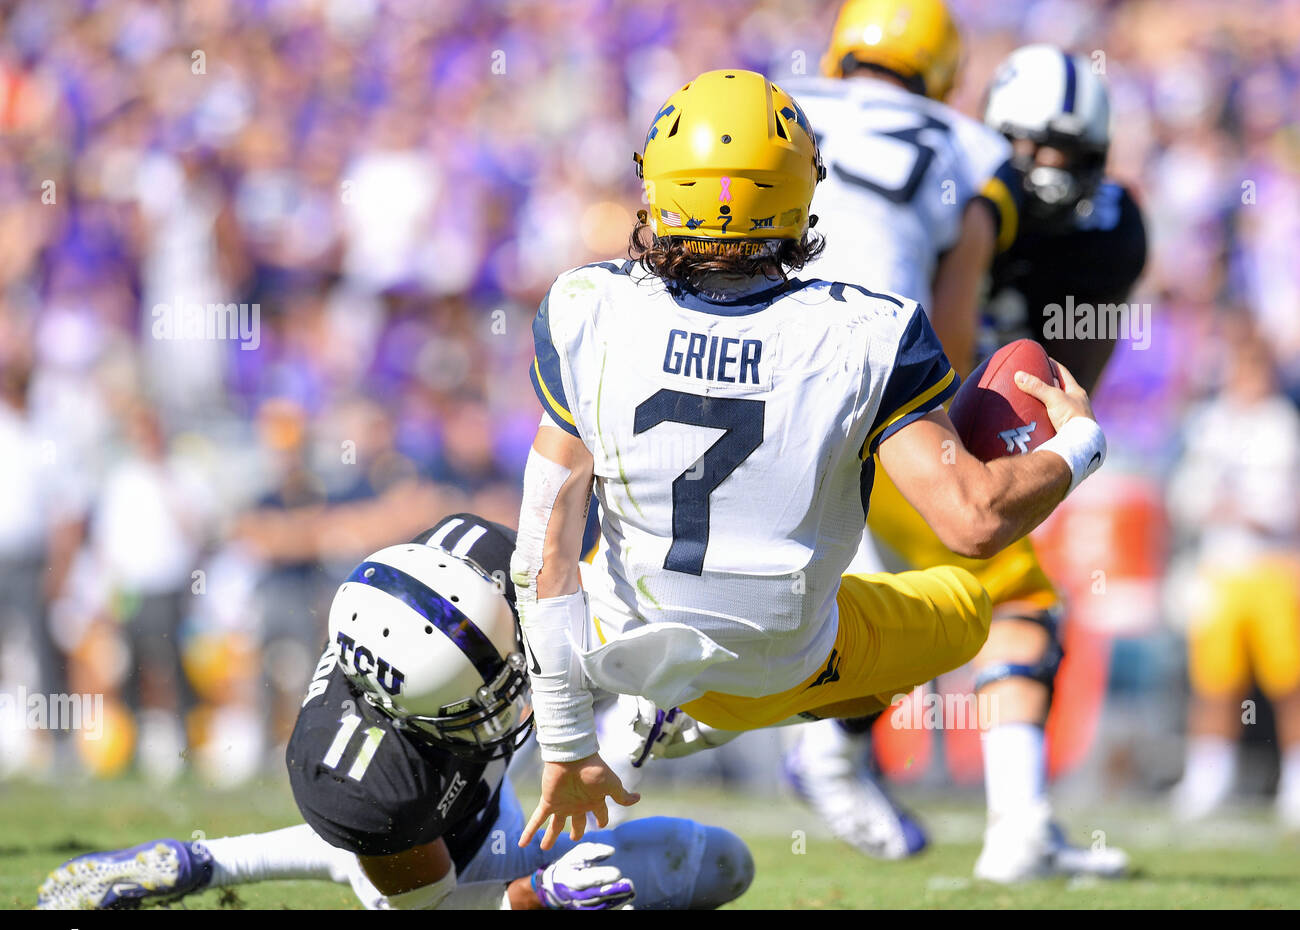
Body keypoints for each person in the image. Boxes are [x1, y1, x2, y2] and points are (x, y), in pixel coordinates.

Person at [509, 66, 1108, 853]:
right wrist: (1080, 445)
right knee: (968, 607)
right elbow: (974, 519)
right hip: (785, 664)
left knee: (514, 558)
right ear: (800, 189)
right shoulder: (870, 329)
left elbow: (541, 553)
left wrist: (564, 739)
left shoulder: (587, 306)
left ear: (658, 185)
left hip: (627, 641)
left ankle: (463, 790)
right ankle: (820, 735)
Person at [788, 36, 1145, 881]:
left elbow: (1065, 374)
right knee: (1004, 597)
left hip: (882, 408)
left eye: (1068, 152)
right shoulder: (967, 186)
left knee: (875, 612)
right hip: (909, 412)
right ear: (992, 138)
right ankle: (1013, 828)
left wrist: (1018, 436)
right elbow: (947, 343)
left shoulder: (1091, 225)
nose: (1047, 166)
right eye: (1029, 148)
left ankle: (824, 748)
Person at [37, 514, 754, 910]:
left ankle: (205, 861)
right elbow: (433, 912)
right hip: (434, 870)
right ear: (411, 716)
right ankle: (209, 861)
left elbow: (582, 617)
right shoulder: (371, 783)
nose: (515, 697)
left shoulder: (477, 564)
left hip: (461, 814)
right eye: (487, 697)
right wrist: (535, 897)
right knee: (716, 865)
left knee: (722, 855)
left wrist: (642, 703)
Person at [1167, 332, 1300, 830]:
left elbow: (1285, 502)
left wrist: (1257, 513)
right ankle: (1209, 776)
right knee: (1215, 681)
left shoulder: (1282, 424)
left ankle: (1294, 781)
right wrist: (1212, 508)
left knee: (1288, 680)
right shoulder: (1209, 424)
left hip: (1272, 565)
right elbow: (1185, 496)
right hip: (1220, 568)